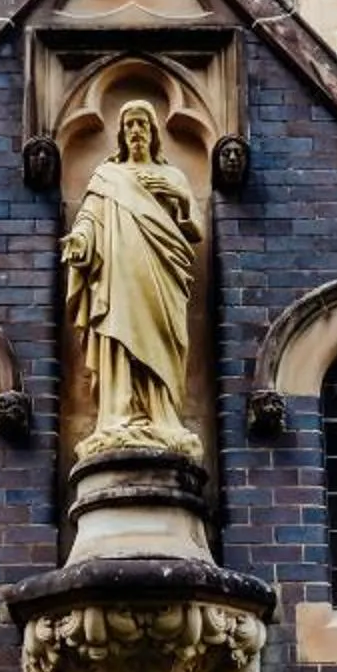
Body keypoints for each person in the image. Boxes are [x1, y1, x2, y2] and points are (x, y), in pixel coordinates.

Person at [62, 100, 202, 454]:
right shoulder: (107, 176)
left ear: (153, 133)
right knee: (119, 336)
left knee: (160, 341)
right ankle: (117, 416)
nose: (136, 130)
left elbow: (195, 229)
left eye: (143, 124)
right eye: (130, 125)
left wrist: (180, 199)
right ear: (122, 134)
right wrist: (80, 240)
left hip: (161, 276)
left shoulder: (173, 177)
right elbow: (89, 218)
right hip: (117, 274)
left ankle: (163, 418)